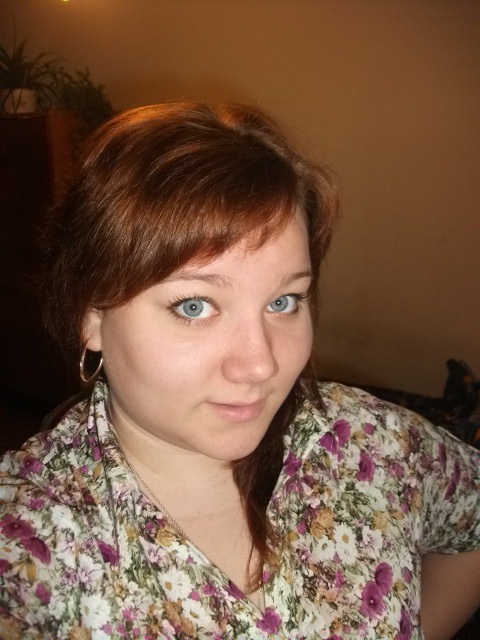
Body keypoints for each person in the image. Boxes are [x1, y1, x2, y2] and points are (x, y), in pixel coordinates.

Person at [0, 102, 478, 640]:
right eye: (194, 306)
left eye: (284, 301)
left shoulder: (368, 442)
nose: (261, 363)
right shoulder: (30, 542)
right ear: (91, 317)